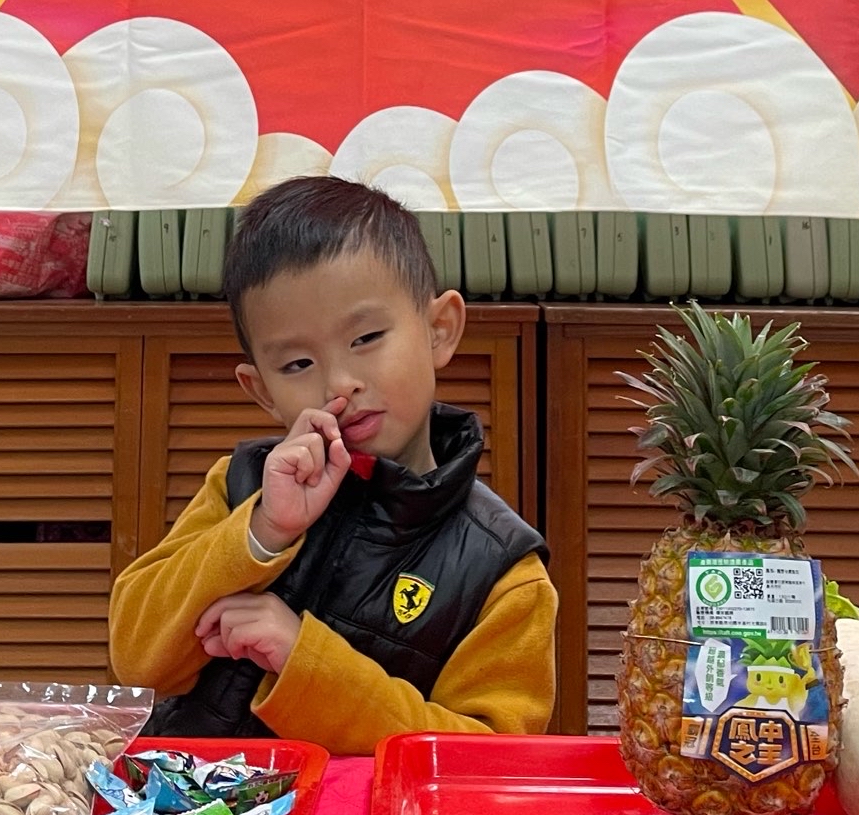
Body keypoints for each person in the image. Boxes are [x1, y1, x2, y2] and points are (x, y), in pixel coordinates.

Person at [108, 176, 556, 752]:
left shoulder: (502, 570)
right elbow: (137, 658)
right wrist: (263, 532)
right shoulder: (240, 488)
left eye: (366, 337)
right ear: (261, 390)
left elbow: (486, 759)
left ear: (439, 330)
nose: (340, 383)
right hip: (195, 806)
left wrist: (305, 662)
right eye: (297, 364)